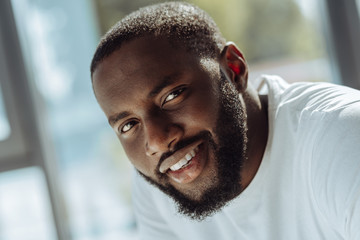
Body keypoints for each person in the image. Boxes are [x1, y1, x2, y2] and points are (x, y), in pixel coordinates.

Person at [90, 2, 360, 239]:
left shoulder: (341, 135)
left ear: (234, 69)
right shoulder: (161, 186)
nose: (158, 141)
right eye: (128, 125)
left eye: (172, 96)